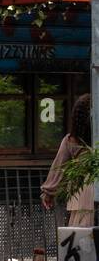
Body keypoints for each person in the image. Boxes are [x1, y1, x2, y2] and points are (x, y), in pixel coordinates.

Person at [41, 94, 94, 227]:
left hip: (83, 196)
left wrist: (48, 193)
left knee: (83, 242)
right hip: (84, 196)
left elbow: (59, 168)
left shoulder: (71, 140)